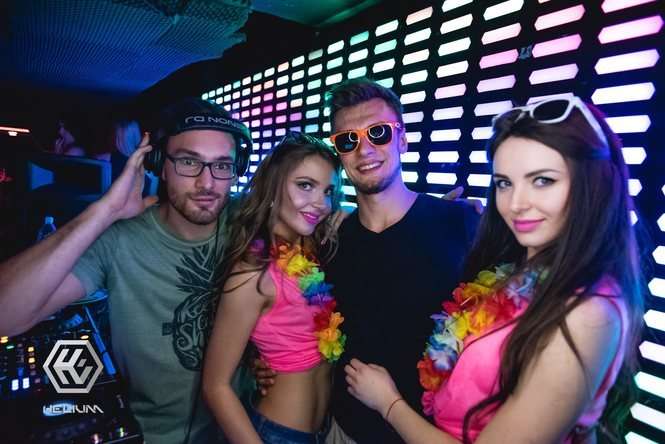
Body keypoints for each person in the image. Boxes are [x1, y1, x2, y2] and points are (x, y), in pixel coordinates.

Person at [343, 96, 644, 443]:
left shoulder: (589, 312)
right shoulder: (517, 270)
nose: (516, 203)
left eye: (542, 180)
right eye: (504, 183)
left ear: (591, 183)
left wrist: (389, 403)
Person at [0, 98, 253, 443]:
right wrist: (106, 210)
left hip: (245, 426)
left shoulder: (249, 224)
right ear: (159, 164)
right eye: (189, 162)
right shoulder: (119, 239)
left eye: (222, 165)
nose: (207, 183)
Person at [256, 78, 480, 443]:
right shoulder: (327, 242)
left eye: (378, 132)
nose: (364, 150)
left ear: (402, 139)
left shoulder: (463, 224)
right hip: (345, 432)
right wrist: (263, 361)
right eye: (348, 140)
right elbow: (287, 314)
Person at [203, 133, 345, 443]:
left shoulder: (308, 252)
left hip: (323, 431)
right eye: (305, 185)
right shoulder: (252, 273)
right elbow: (215, 386)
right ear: (273, 186)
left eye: (328, 191)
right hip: (277, 435)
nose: (320, 203)